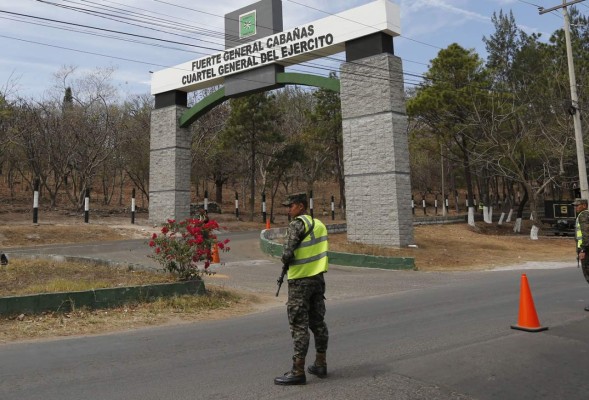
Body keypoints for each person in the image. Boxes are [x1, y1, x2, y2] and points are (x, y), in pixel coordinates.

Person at [274, 192, 329, 386]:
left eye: (290, 206)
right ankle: (320, 363)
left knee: (299, 325)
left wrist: (285, 259)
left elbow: (287, 254)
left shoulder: (297, 224)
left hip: (300, 281)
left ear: (300, 206)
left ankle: (297, 371)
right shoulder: (320, 225)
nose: (288, 210)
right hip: (318, 279)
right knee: (318, 322)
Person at [574, 198, 589, 311]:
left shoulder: (583, 216)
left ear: (584, 205)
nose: (575, 207)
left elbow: (586, 234)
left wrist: (583, 250)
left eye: (577, 205)